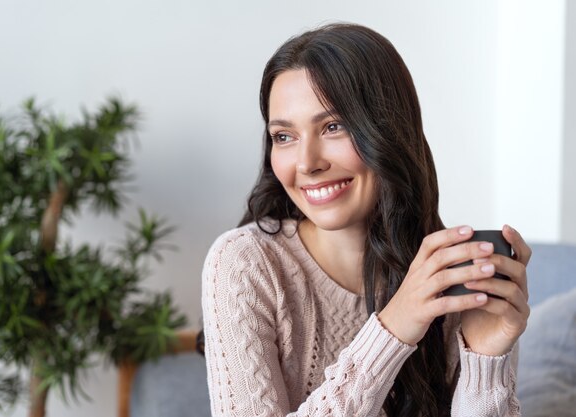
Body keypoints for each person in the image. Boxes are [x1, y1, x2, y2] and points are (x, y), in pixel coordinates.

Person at [201, 23, 531, 417]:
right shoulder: (244, 264)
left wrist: (485, 362)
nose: (307, 163)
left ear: (388, 132)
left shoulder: (446, 278)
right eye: (284, 136)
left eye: (333, 127)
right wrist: (393, 329)